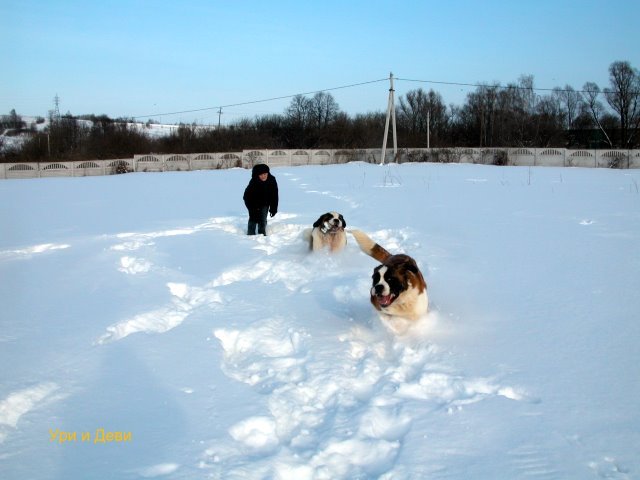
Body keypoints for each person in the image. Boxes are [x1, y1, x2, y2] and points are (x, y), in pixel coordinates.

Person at [243, 163, 278, 235]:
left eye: (265, 174)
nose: (263, 176)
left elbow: (274, 195)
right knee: (253, 218)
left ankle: (261, 234)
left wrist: (273, 208)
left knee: (263, 219)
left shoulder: (272, 180)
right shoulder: (253, 182)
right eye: (261, 175)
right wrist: (251, 209)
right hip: (253, 203)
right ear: (257, 175)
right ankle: (250, 234)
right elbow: (246, 196)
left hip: (265, 203)